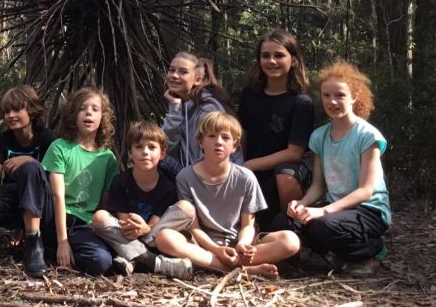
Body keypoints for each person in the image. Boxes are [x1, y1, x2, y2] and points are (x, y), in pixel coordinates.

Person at [279, 62, 391, 277]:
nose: (332, 101)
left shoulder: (368, 136)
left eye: (339, 95)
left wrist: (323, 211)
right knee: (283, 221)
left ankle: (371, 252)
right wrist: (301, 204)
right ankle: (338, 253)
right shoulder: (319, 136)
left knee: (324, 225)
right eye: (326, 95)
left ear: (354, 97)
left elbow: (366, 190)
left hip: (369, 210)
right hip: (336, 209)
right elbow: (318, 186)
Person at [157, 112, 300, 279]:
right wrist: (217, 250)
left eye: (225, 137)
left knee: (290, 241)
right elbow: (193, 227)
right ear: (200, 142)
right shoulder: (185, 177)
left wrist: (243, 245)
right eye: (211, 136)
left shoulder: (245, 177)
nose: (218, 142)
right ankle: (244, 270)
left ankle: (230, 264)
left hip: (237, 244)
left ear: (235, 145)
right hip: (204, 247)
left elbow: (248, 225)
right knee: (165, 237)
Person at [91, 121, 193, 278]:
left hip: (153, 236)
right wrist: (138, 228)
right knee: (100, 217)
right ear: (130, 153)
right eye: (138, 147)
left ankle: (134, 259)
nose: (145, 152)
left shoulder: (168, 186)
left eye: (152, 147)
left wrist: (147, 229)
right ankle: (153, 261)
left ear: (163, 154)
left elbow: (155, 223)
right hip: (127, 235)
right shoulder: (120, 182)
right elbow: (125, 223)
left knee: (186, 208)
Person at [238, 29, 314, 229]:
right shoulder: (249, 94)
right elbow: (242, 135)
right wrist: (239, 165)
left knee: (285, 174)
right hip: (251, 168)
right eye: (266, 56)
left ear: (294, 61)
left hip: (286, 172)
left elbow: (295, 153)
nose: (271, 61)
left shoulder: (301, 103)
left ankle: (295, 232)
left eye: (279, 55)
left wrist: (251, 165)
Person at [41, 87, 119, 276]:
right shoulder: (60, 147)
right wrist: (62, 242)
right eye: (83, 108)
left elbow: (105, 201)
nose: (88, 113)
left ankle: (61, 252)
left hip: (85, 223)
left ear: (103, 117)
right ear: (73, 114)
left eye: (95, 109)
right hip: (56, 217)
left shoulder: (107, 157)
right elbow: (57, 195)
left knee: (102, 262)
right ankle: (53, 247)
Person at [0, 85, 57, 277]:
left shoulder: (47, 137)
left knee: (32, 169)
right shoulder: (3, 140)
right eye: (6, 111)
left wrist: (30, 160)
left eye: (17, 110)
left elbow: (55, 178)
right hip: (14, 198)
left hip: (44, 203)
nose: (10, 115)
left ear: (31, 111)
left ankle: (33, 242)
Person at [161, 52, 241, 168]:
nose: (174, 75)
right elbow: (165, 148)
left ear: (198, 80)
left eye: (183, 72)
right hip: (190, 172)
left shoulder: (208, 110)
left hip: (212, 177)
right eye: (172, 70)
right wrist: (174, 108)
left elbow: (214, 155)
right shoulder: (182, 105)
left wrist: (190, 180)